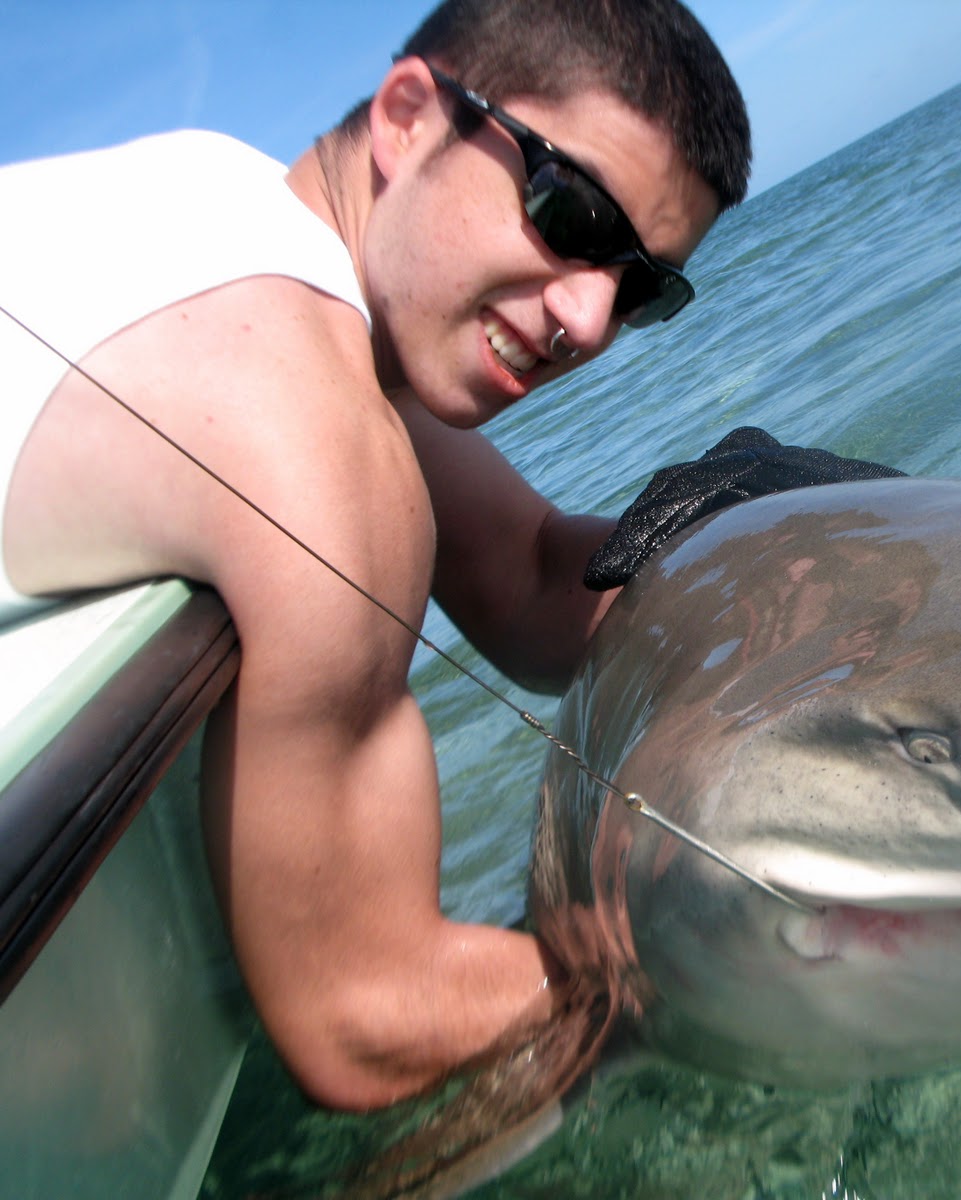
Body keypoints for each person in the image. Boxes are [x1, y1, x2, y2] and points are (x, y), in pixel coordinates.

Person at [0, 0, 750, 1110]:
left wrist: (759, 550)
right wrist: (734, 951)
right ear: (408, 117)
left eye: (642, 286)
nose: (590, 320)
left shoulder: (228, 218)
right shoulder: (299, 420)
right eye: (568, 211)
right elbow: (364, 1015)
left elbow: (535, 577)